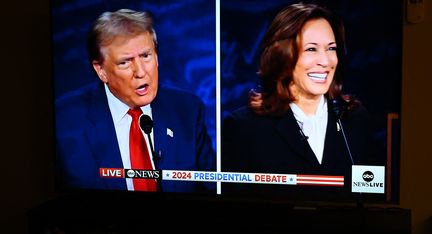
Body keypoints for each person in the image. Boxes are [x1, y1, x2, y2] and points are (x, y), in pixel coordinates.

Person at [221, 3, 381, 199]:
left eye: (331, 48)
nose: (325, 61)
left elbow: (373, 198)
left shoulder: (355, 120)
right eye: (311, 49)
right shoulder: (243, 127)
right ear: (282, 55)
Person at [55, 9, 215, 193]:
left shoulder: (187, 111)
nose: (140, 72)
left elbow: (208, 193)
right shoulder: (65, 123)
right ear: (101, 71)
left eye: (146, 56)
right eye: (125, 62)